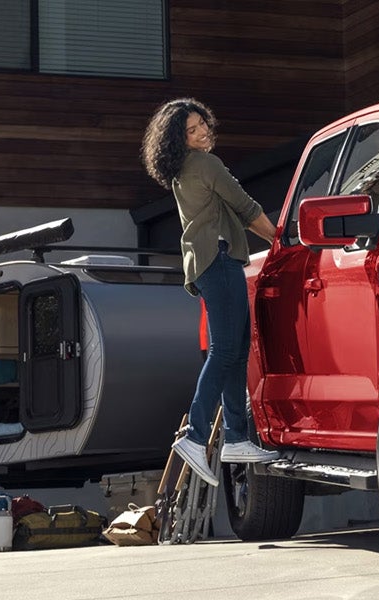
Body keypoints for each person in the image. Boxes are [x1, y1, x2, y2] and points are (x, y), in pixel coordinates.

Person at [142, 98, 282, 486]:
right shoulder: (206, 164)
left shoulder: (182, 171)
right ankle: (196, 434)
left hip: (208, 264)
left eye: (202, 123)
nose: (202, 131)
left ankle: (236, 437)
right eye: (192, 129)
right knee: (226, 350)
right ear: (179, 139)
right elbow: (245, 206)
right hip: (218, 262)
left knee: (236, 348)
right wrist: (279, 239)